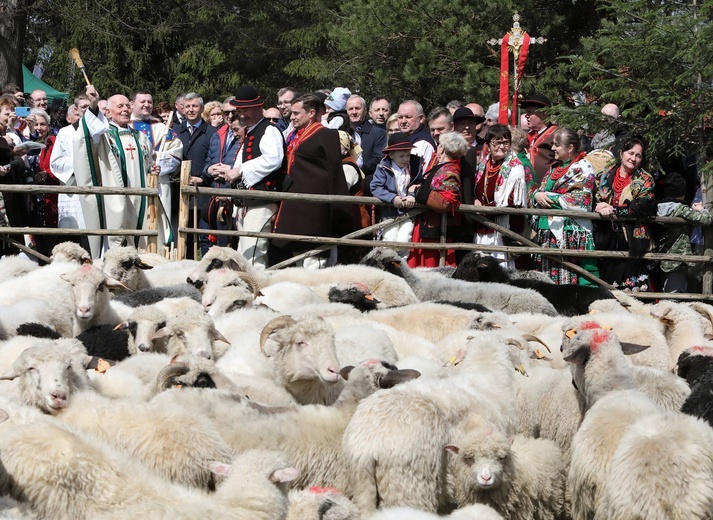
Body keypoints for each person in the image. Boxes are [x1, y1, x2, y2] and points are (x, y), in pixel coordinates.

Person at [74, 85, 160, 258]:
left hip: (140, 199)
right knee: (118, 239)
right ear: (108, 111)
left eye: (127, 106)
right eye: (119, 106)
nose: (125, 110)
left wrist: (152, 168)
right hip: (115, 199)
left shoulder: (141, 137)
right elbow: (87, 135)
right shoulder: (104, 136)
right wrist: (93, 106)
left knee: (141, 242)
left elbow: (147, 163)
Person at [272, 94, 353, 268]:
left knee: (314, 261)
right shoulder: (294, 135)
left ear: (311, 113)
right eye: (291, 113)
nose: (292, 117)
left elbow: (335, 173)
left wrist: (338, 207)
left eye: (296, 113)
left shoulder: (326, 135)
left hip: (315, 209)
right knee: (297, 256)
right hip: (295, 206)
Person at [223, 86, 286, 270]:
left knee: (253, 257)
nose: (242, 114)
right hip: (247, 204)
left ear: (259, 108)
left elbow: (273, 159)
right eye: (240, 110)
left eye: (246, 110)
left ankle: (256, 296)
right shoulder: (252, 131)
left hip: (261, 203)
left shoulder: (269, 130)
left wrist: (240, 170)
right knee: (245, 255)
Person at [531, 127, 598, 285]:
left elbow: (582, 200)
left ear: (570, 148)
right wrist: (536, 195)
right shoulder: (554, 168)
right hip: (547, 231)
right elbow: (538, 191)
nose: (552, 148)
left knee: (568, 276)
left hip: (570, 234)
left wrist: (548, 197)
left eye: (556, 145)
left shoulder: (583, 168)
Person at [594, 135, 656, 291]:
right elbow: (593, 197)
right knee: (606, 283)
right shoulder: (605, 175)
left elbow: (640, 206)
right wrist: (598, 206)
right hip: (606, 236)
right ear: (621, 153)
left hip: (632, 239)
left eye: (638, 155)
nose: (633, 158)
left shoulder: (645, 179)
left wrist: (613, 210)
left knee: (631, 287)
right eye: (630, 153)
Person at [473, 124, 533, 268]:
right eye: (496, 142)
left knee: (501, 270)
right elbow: (477, 189)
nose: (501, 146)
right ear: (488, 144)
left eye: (505, 142)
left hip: (503, 229)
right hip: (482, 226)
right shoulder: (483, 164)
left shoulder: (515, 168)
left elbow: (514, 200)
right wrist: (474, 200)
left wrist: (487, 209)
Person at [407, 131, 469, 268]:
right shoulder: (443, 167)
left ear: (443, 148)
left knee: (431, 267)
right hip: (428, 224)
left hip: (435, 228)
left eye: (440, 144)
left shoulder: (449, 171)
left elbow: (445, 202)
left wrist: (418, 191)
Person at [130, 89, 183, 247]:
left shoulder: (162, 128)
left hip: (159, 183)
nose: (147, 105)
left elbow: (176, 153)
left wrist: (157, 164)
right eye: (142, 101)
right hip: (132, 183)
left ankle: (159, 254)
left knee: (159, 225)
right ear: (132, 104)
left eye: (149, 102)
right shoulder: (122, 126)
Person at [654, 171, 712, 292]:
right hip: (677, 259)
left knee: (667, 289)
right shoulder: (680, 209)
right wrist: (701, 210)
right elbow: (707, 219)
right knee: (672, 296)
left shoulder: (659, 207)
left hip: (662, 257)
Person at [370, 132, 423, 258]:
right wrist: (392, 198)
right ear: (391, 155)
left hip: (408, 211)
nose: (406, 159)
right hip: (390, 211)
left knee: (404, 239)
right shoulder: (383, 168)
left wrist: (412, 195)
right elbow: (375, 187)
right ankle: (387, 264)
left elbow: (420, 184)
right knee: (389, 238)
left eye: (408, 155)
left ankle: (402, 266)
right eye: (401, 156)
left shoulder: (414, 167)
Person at [200, 118, 245, 253]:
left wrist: (230, 170)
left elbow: (246, 167)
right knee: (208, 240)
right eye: (226, 113)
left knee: (233, 244)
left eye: (233, 112)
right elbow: (208, 161)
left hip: (233, 198)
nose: (230, 116)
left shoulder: (246, 138)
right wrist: (210, 170)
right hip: (216, 196)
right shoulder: (217, 135)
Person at [50, 94, 91, 239]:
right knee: (71, 235)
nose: (87, 110)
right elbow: (55, 162)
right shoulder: (65, 132)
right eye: (83, 107)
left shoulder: (101, 132)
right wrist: (79, 164)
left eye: (90, 106)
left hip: (94, 188)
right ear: (76, 109)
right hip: (71, 189)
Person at [24, 108, 60, 257]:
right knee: (38, 239)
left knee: (51, 239)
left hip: (50, 197)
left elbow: (59, 167)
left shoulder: (54, 142)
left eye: (43, 124)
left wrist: (47, 175)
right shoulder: (27, 143)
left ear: (48, 125)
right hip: (33, 198)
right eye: (36, 124)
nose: (39, 128)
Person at [346, 95, 387, 178]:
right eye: (351, 109)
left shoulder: (379, 133)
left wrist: (356, 169)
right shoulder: (341, 132)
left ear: (365, 111)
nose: (354, 112)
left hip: (367, 180)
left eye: (357, 108)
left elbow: (379, 160)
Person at [521, 93, 558, 184]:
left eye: (530, 113)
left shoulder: (556, 135)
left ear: (543, 114)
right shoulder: (529, 136)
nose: (526, 116)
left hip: (545, 186)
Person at [397, 100, 436, 170]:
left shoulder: (422, 143)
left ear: (420, 118)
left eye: (408, 117)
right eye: (400, 117)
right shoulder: (403, 138)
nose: (403, 121)